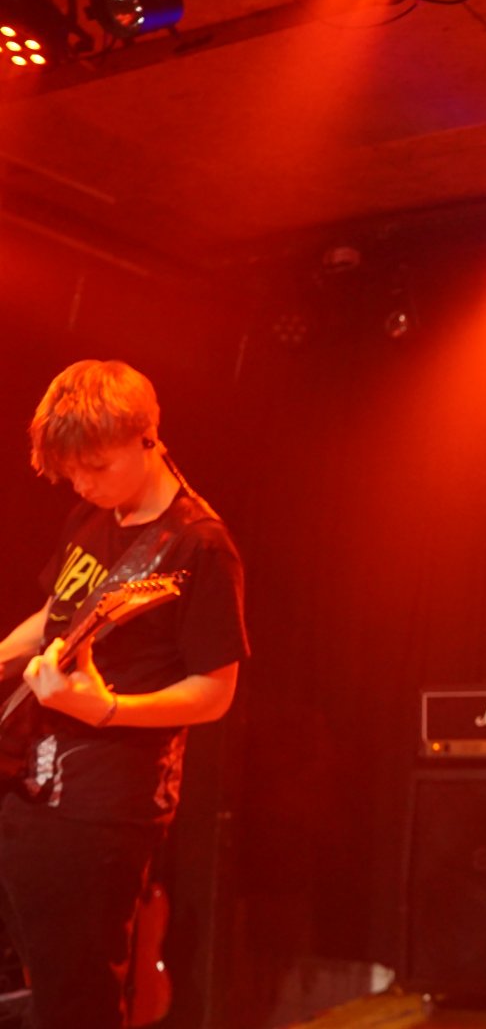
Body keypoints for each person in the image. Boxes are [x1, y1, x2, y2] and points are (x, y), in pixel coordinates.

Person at [0, 360, 249, 1029]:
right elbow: (55, 614)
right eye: (70, 473)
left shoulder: (200, 547)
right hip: (29, 783)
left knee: (76, 1006)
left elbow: (214, 692)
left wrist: (108, 709)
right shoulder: (95, 511)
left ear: (148, 438)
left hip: (103, 811)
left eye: (95, 467)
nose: (82, 484)